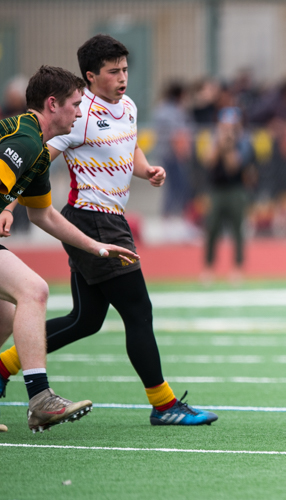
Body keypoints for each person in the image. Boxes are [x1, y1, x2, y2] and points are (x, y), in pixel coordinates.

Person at [0, 36, 218, 427]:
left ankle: (3, 367)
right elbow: (36, 157)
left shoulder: (129, 106)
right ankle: (164, 404)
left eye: (125, 69)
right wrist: (10, 204)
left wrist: (146, 168)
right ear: (90, 77)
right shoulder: (78, 113)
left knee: (86, 320)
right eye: (113, 71)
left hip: (105, 219)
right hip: (92, 218)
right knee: (138, 311)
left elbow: (128, 147)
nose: (122, 78)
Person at [0, 65, 140, 432]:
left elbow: (44, 214)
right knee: (33, 290)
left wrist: (96, 247)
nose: (81, 112)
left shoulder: (39, 152)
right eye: (76, 104)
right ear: (52, 104)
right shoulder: (25, 142)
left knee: (5, 313)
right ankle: (41, 399)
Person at [202, 107, 255, 285]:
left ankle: (237, 268)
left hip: (236, 190)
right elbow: (208, 161)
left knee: (237, 230)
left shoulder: (244, 142)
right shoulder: (213, 139)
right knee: (212, 229)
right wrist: (219, 143)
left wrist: (229, 146)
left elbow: (234, 165)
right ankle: (208, 268)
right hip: (217, 190)